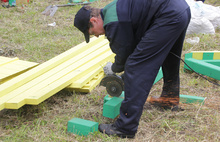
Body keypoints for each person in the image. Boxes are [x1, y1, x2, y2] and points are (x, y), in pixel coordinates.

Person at [74, 0, 191, 138]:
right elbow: (133, 43)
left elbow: (125, 54)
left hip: (168, 15)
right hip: (180, 9)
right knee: (170, 56)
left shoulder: (113, 22)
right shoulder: (111, 10)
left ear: (94, 20)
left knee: (135, 66)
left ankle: (125, 127)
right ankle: (169, 99)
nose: (97, 35)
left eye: (92, 32)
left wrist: (114, 68)